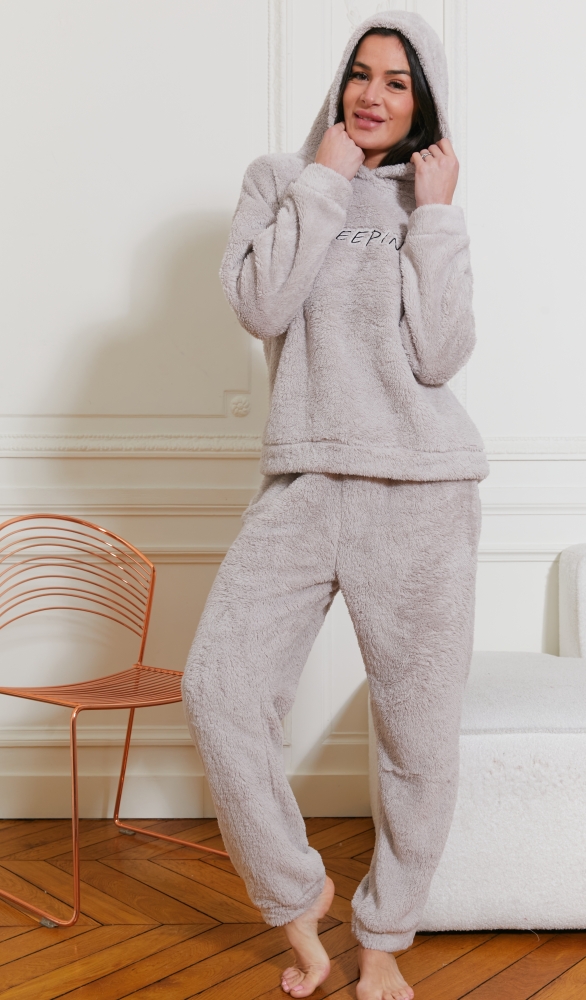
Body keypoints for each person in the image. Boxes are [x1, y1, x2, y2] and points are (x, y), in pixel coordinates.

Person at [181, 11, 489, 1000]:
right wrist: (322, 177)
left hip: (423, 491)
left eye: (398, 81)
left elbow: (440, 355)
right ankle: (297, 896)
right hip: (304, 482)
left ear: (423, 100)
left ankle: (384, 936)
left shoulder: (428, 199)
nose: (373, 95)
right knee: (220, 688)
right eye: (361, 73)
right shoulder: (281, 178)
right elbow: (260, 306)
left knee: (418, 738)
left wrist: (436, 216)